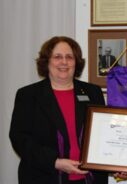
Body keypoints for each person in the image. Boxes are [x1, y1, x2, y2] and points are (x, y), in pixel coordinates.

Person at [9, 36, 108, 184]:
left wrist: (119, 163)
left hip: (89, 178)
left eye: (69, 57)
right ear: (46, 61)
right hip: (45, 176)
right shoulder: (29, 95)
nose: (64, 62)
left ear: (76, 62)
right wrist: (55, 162)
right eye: (57, 57)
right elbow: (20, 139)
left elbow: (104, 134)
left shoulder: (93, 92)